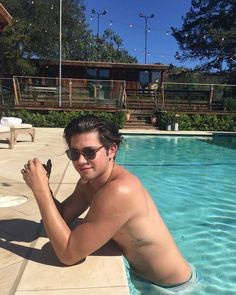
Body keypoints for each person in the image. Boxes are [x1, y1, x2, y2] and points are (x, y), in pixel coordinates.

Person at [21, 114, 201, 294]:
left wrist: (41, 191)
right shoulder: (87, 183)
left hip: (173, 287)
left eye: (89, 152)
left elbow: (68, 254)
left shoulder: (120, 191)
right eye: (74, 154)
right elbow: (60, 218)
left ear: (112, 150)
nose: (81, 161)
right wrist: (44, 187)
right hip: (145, 278)